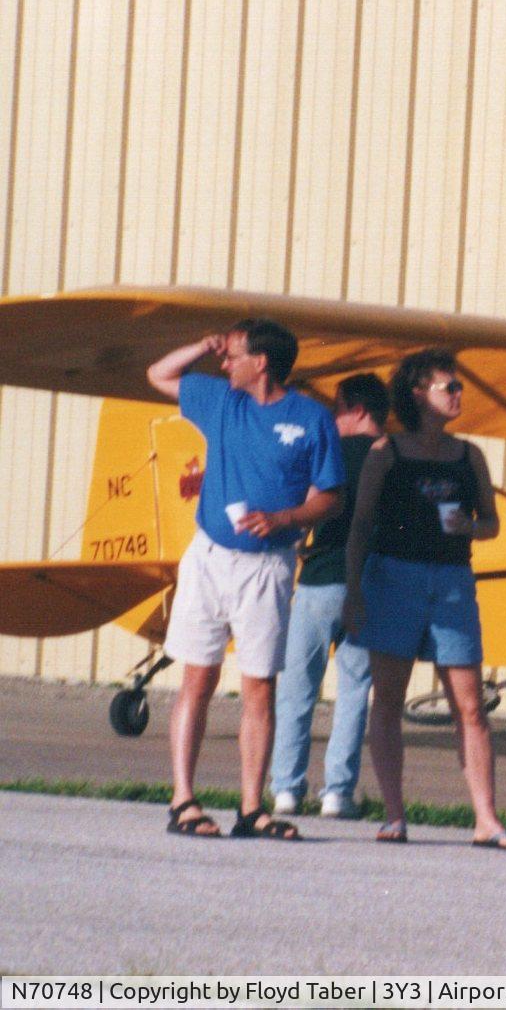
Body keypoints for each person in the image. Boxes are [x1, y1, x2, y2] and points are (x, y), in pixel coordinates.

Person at [147, 320, 344, 839]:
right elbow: (159, 373)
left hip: (269, 566)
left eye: (232, 355)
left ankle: (252, 809)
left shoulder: (311, 419)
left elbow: (330, 495)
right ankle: (183, 801)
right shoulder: (219, 401)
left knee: (259, 687)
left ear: (263, 362)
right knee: (198, 676)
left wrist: (284, 520)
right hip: (209, 559)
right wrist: (201, 342)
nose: (223, 363)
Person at [343, 348, 506, 849]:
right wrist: (353, 590)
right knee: (389, 699)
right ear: (419, 393)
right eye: (451, 387)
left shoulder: (470, 456)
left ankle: (487, 820)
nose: (459, 395)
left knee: (471, 707)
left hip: (451, 582)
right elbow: (360, 525)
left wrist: (471, 526)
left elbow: (491, 523)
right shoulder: (387, 453)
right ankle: (394, 814)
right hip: (393, 578)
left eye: (459, 387)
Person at [270, 373, 389, 819]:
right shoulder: (394, 457)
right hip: (372, 584)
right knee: (355, 688)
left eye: (338, 408)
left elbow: (305, 506)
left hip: (320, 578)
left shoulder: (329, 451)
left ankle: (286, 788)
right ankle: (338, 793)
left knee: (299, 688)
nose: (333, 418)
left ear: (358, 411)